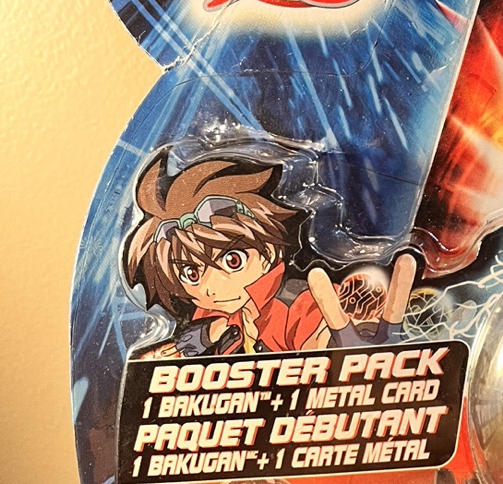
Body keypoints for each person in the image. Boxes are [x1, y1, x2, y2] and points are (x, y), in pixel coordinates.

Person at [124, 153, 416, 358]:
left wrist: (356, 354)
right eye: (191, 274)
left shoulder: (296, 303)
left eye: (232, 261)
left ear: (271, 250)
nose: (211, 288)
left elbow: (322, 330)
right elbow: (207, 329)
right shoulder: (220, 309)